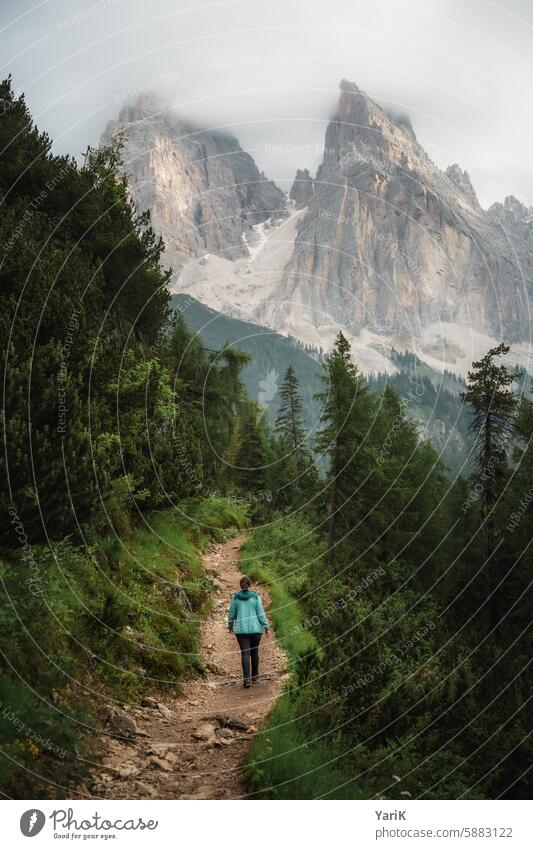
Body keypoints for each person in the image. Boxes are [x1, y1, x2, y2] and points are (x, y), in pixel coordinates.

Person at [227, 576, 270, 688]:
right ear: (250, 585)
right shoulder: (255, 597)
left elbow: (232, 614)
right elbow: (260, 614)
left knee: (245, 653)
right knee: (254, 652)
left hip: (241, 631)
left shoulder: (236, 598)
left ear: (241, 585)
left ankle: (246, 680)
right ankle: (255, 676)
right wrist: (266, 626)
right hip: (255, 630)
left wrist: (230, 626)